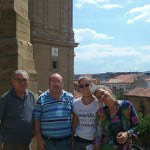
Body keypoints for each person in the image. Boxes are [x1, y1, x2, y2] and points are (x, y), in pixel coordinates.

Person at [34, 73, 73, 150]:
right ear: (49, 84)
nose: (56, 84)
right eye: (53, 81)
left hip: (66, 143)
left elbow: (76, 117)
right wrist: (39, 139)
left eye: (58, 81)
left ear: (62, 83)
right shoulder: (41, 98)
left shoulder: (69, 97)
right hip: (47, 143)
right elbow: (36, 119)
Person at [94, 85, 139, 150]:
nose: (102, 96)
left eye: (102, 93)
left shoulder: (126, 106)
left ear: (109, 91)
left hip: (125, 147)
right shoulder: (100, 112)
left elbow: (137, 125)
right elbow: (98, 134)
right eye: (99, 97)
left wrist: (127, 134)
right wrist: (96, 147)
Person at [0, 70, 35, 150]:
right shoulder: (6, 98)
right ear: (13, 81)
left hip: (27, 142)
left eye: (24, 80)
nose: (22, 82)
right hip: (11, 144)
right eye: (18, 80)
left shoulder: (31, 96)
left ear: (28, 81)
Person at [72, 76, 102, 150]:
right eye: (81, 86)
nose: (84, 88)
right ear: (79, 88)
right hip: (78, 141)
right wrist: (72, 140)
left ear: (91, 85)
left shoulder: (99, 103)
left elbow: (101, 124)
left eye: (87, 85)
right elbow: (75, 122)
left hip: (93, 142)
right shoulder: (75, 103)